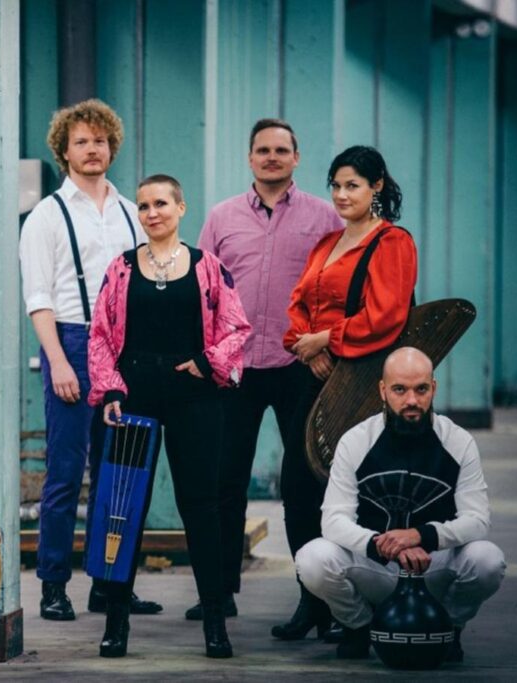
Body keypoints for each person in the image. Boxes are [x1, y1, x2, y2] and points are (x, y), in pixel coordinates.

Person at [88, 174, 251, 658]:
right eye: (143, 206)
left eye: (161, 203)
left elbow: (237, 327)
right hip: (134, 399)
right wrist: (111, 389)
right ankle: (116, 620)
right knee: (123, 507)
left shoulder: (209, 268)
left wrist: (208, 362)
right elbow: (99, 335)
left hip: (195, 397)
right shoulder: (120, 269)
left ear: (181, 207)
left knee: (201, 507)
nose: (152, 212)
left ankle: (215, 623)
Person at [190, 118, 344, 625]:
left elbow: (336, 291)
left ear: (297, 158)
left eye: (282, 150)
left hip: (299, 367)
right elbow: (203, 291)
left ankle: (314, 598)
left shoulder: (325, 219)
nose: (272, 157)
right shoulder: (221, 217)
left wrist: (325, 347)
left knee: (303, 485)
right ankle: (219, 591)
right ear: (250, 158)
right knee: (225, 481)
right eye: (263, 150)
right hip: (234, 369)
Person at [19, 99, 161, 620]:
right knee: (64, 472)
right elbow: (39, 297)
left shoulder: (130, 211)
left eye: (100, 140)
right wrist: (57, 360)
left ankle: (111, 584)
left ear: (111, 146)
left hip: (127, 346)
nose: (92, 148)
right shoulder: (46, 216)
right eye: (81, 141)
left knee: (118, 470)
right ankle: (53, 585)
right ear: (64, 150)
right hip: (71, 342)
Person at [279, 145, 418, 640]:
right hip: (312, 378)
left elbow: (387, 315)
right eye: (336, 185)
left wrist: (330, 340)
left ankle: (353, 604)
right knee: (297, 487)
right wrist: (306, 343)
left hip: (359, 386)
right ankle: (312, 599)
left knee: (352, 493)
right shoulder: (327, 244)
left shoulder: (392, 242)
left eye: (353, 185)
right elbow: (299, 304)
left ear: (376, 187)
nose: (341, 194)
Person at [296, 347, 506, 661]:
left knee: (488, 560)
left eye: (421, 389)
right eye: (399, 389)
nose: (411, 401)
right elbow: (334, 520)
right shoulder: (355, 441)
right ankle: (360, 627)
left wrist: (421, 535)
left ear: (433, 388)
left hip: (433, 567)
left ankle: (448, 626)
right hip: (377, 568)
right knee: (311, 559)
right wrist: (382, 544)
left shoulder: (458, 441)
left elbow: (477, 519)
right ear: (382, 390)